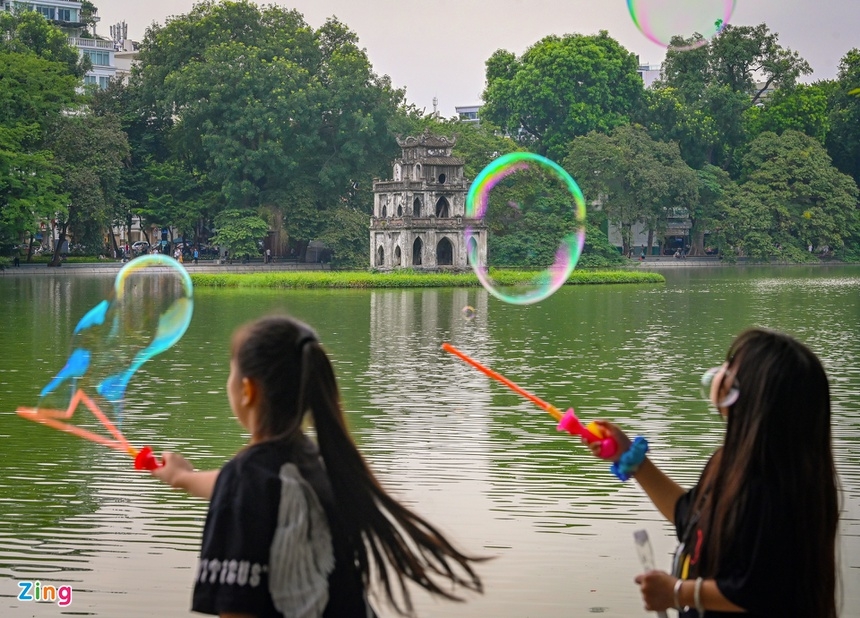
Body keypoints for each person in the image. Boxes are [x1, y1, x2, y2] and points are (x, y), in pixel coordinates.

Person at [152, 315, 484, 617]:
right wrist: (183, 477)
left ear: (247, 389)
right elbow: (252, 487)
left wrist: (190, 478)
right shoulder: (315, 459)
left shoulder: (248, 479)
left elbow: (239, 608)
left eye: (231, 370)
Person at [586, 328, 839, 617]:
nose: (721, 372)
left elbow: (756, 591)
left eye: (731, 367)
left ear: (751, 397)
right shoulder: (729, 463)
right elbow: (689, 518)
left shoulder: (770, 489)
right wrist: (631, 458)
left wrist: (675, 592)